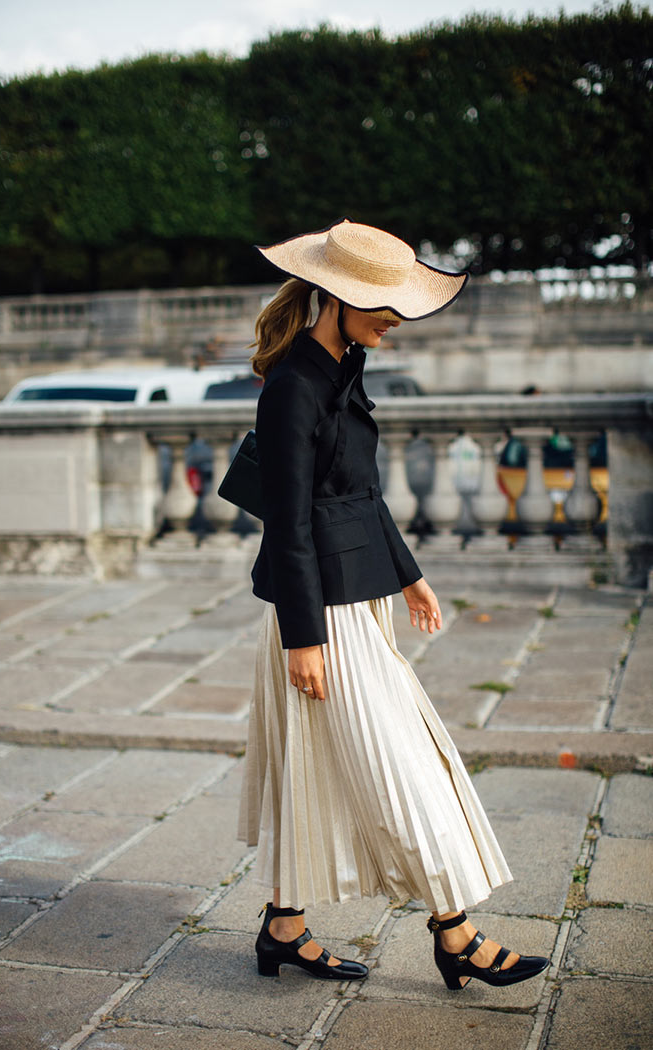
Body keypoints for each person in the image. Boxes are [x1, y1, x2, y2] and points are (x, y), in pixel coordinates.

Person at [238, 220, 548, 991]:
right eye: (383, 304)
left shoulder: (342, 366)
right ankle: (458, 936)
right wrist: (303, 639)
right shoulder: (292, 390)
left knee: (317, 770)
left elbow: (357, 495)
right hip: (318, 616)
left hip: (357, 603)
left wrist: (408, 574)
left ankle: (283, 928)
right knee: (404, 769)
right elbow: (291, 521)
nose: (396, 320)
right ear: (337, 296)